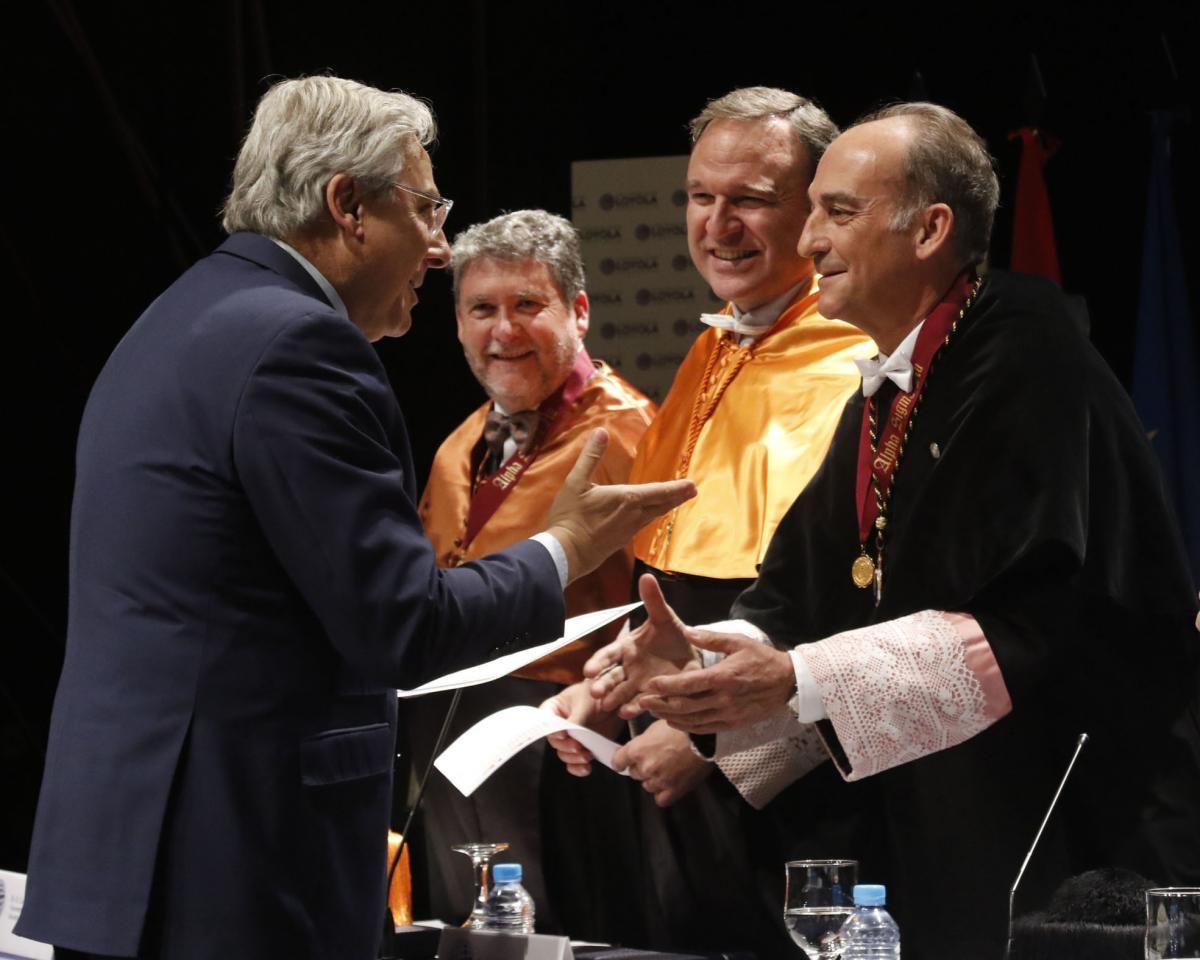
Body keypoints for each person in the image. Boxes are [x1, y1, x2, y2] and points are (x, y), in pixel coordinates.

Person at [15, 76, 693, 960]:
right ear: (348, 207)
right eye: (425, 208)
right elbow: (400, 623)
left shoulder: (176, 316)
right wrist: (564, 547)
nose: (441, 248)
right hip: (238, 866)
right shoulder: (302, 344)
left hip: (136, 847)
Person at [588, 102, 1200, 960]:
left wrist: (790, 678)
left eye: (838, 212)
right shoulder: (891, 381)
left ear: (930, 230)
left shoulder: (1026, 358)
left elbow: (1022, 627)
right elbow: (803, 592)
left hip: (1075, 835)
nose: (808, 242)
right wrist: (695, 667)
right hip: (951, 815)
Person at [544, 87, 874, 955]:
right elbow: (680, 579)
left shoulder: (859, 359)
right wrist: (614, 680)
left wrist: (721, 743)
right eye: (701, 196)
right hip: (685, 777)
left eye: (751, 200)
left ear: (815, 210)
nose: (718, 225)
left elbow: (856, 611)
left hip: (805, 791)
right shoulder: (712, 345)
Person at [403, 210, 654, 929]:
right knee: (467, 928)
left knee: (568, 932)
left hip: (569, 735)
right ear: (456, 323)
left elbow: (672, 605)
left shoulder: (632, 432)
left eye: (526, 306)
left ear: (578, 311)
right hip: (448, 728)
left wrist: (608, 695)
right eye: (482, 309)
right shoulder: (458, 444)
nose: (502, 331)